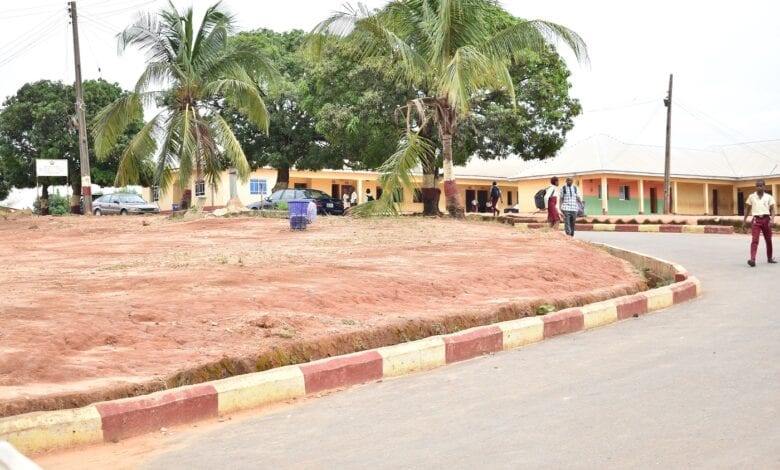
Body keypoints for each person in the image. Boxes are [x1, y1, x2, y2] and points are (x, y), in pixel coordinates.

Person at [742, 179, 776, 267]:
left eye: (761, 185)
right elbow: (748, 209)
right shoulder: (751, 196)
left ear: (764, 186)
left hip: (766, 220)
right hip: (756, 220)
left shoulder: (769, 197)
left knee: (768, 240)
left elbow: (772, 209)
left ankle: (769, 257)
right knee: (755, 240)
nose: (759, 187)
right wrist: (744, 220)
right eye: (757, 186)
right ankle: (752, 259)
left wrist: (772, 220)